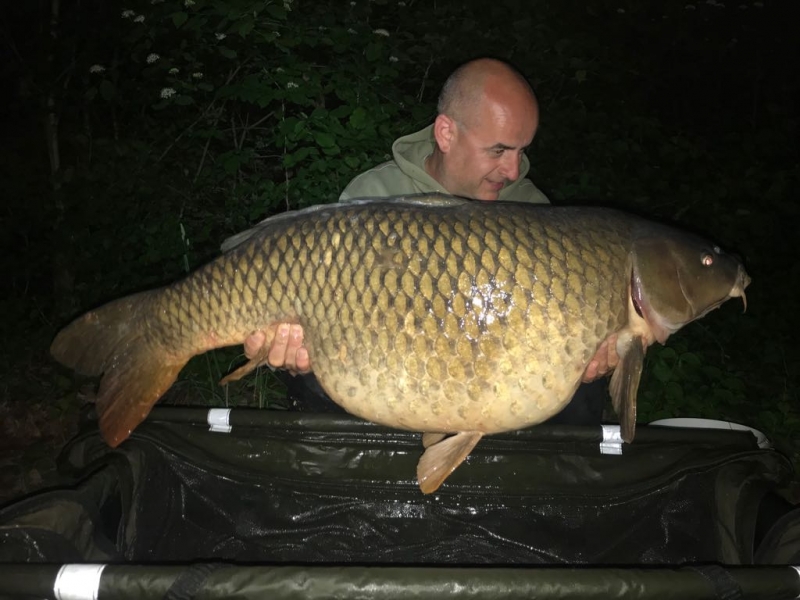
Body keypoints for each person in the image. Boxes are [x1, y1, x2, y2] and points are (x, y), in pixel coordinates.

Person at [236, 57, 617, 422]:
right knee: (309, 372)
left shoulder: (533, 210)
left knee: (580, 391)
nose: (513, 169)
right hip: (386, 375)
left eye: (522, 151)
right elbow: (323, 307)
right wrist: (296, 348)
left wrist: (585, 356)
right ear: (446, 133)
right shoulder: (376, 192)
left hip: (493, 383)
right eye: (498, 150)